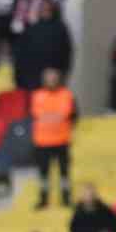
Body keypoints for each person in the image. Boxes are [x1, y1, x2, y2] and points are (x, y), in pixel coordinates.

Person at [29, 66, 76, 210]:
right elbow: (38, 114)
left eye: (54, 78)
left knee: (64, 173)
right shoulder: (37, 95)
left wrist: (50, 116)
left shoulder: (66, 94)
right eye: (48, 78)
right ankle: (43, 199)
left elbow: (65, 113)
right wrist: (55, 116)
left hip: (62, 140)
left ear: (59, 79)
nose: (51, 81)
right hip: (42, 142)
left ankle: (66, 198)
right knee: (43, 174)